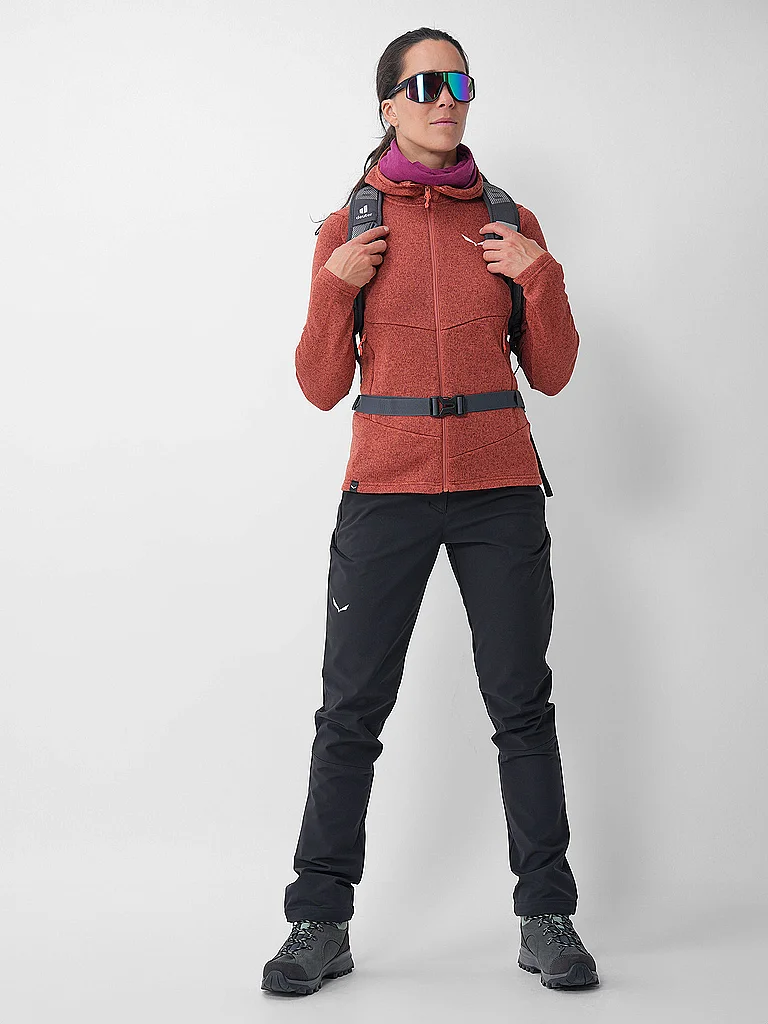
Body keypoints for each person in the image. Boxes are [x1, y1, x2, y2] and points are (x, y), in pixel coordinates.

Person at [262, 27, 599, 996]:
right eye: (423, 84)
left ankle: (547, 916)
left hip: (499, 494)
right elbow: (319, 386)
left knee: (521, 704)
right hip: (386, 491)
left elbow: (554, 373)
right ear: (388, 106)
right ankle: (319, 920)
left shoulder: (508, 219)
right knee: (350, 713)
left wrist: (539, 274)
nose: (445, 97)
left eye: (458, 81)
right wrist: (334, 291)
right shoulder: (350, 225)